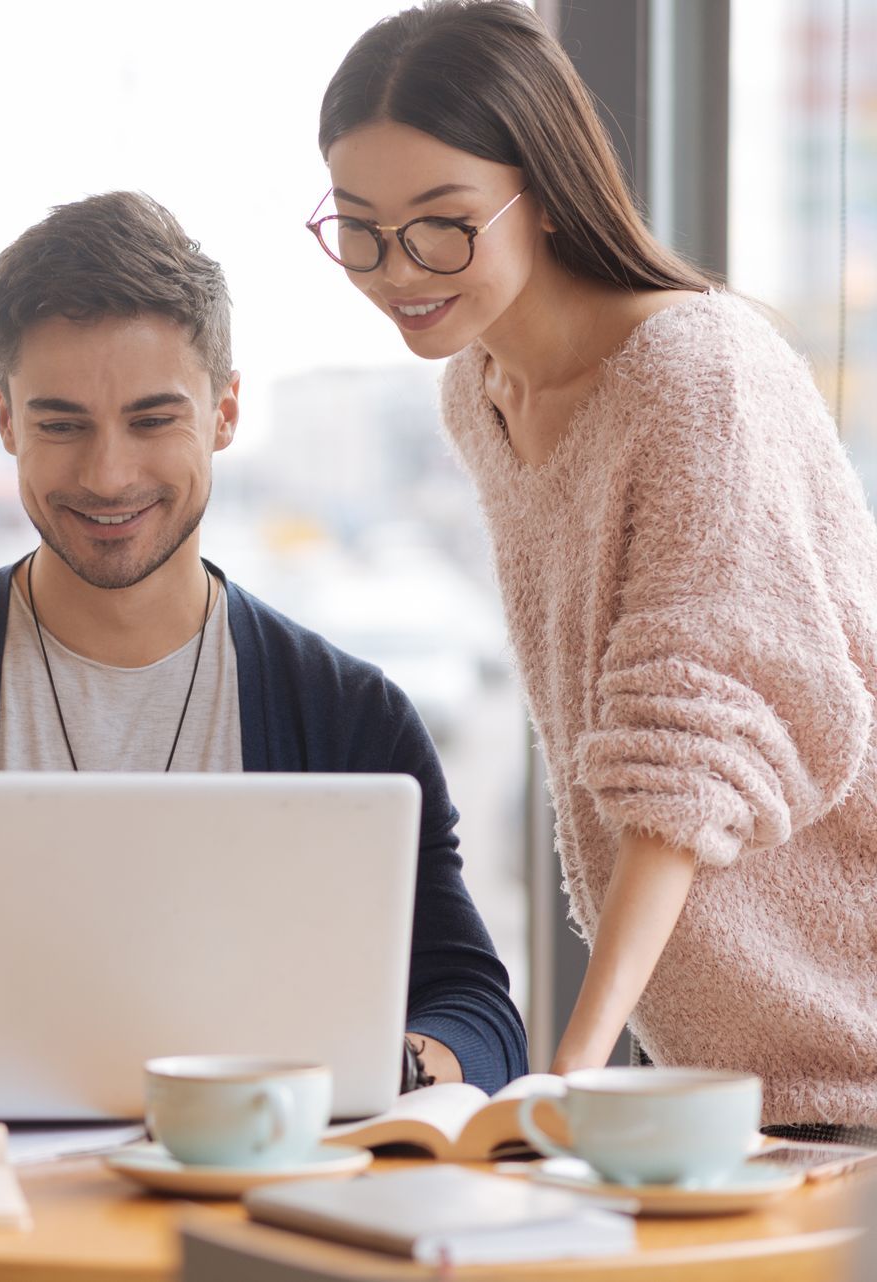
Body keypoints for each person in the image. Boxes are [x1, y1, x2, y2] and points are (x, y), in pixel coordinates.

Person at [0, 192, 528, 1099]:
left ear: (224, 414)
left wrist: (405, 1067)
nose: (108, 475)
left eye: (152, 421)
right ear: (6, 419)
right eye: (61, 424)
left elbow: (478, 1011)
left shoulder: (349, 716)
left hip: (248, 1215)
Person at [314, 0, 877, 1135]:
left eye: (442, 223)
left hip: (850, 1027)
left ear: (545, 192)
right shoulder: (479, 393)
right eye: (360, 228)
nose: (396, 270)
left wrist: (572, 1065)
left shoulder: (693, 371)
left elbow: (689, 749)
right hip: (718, 1069)